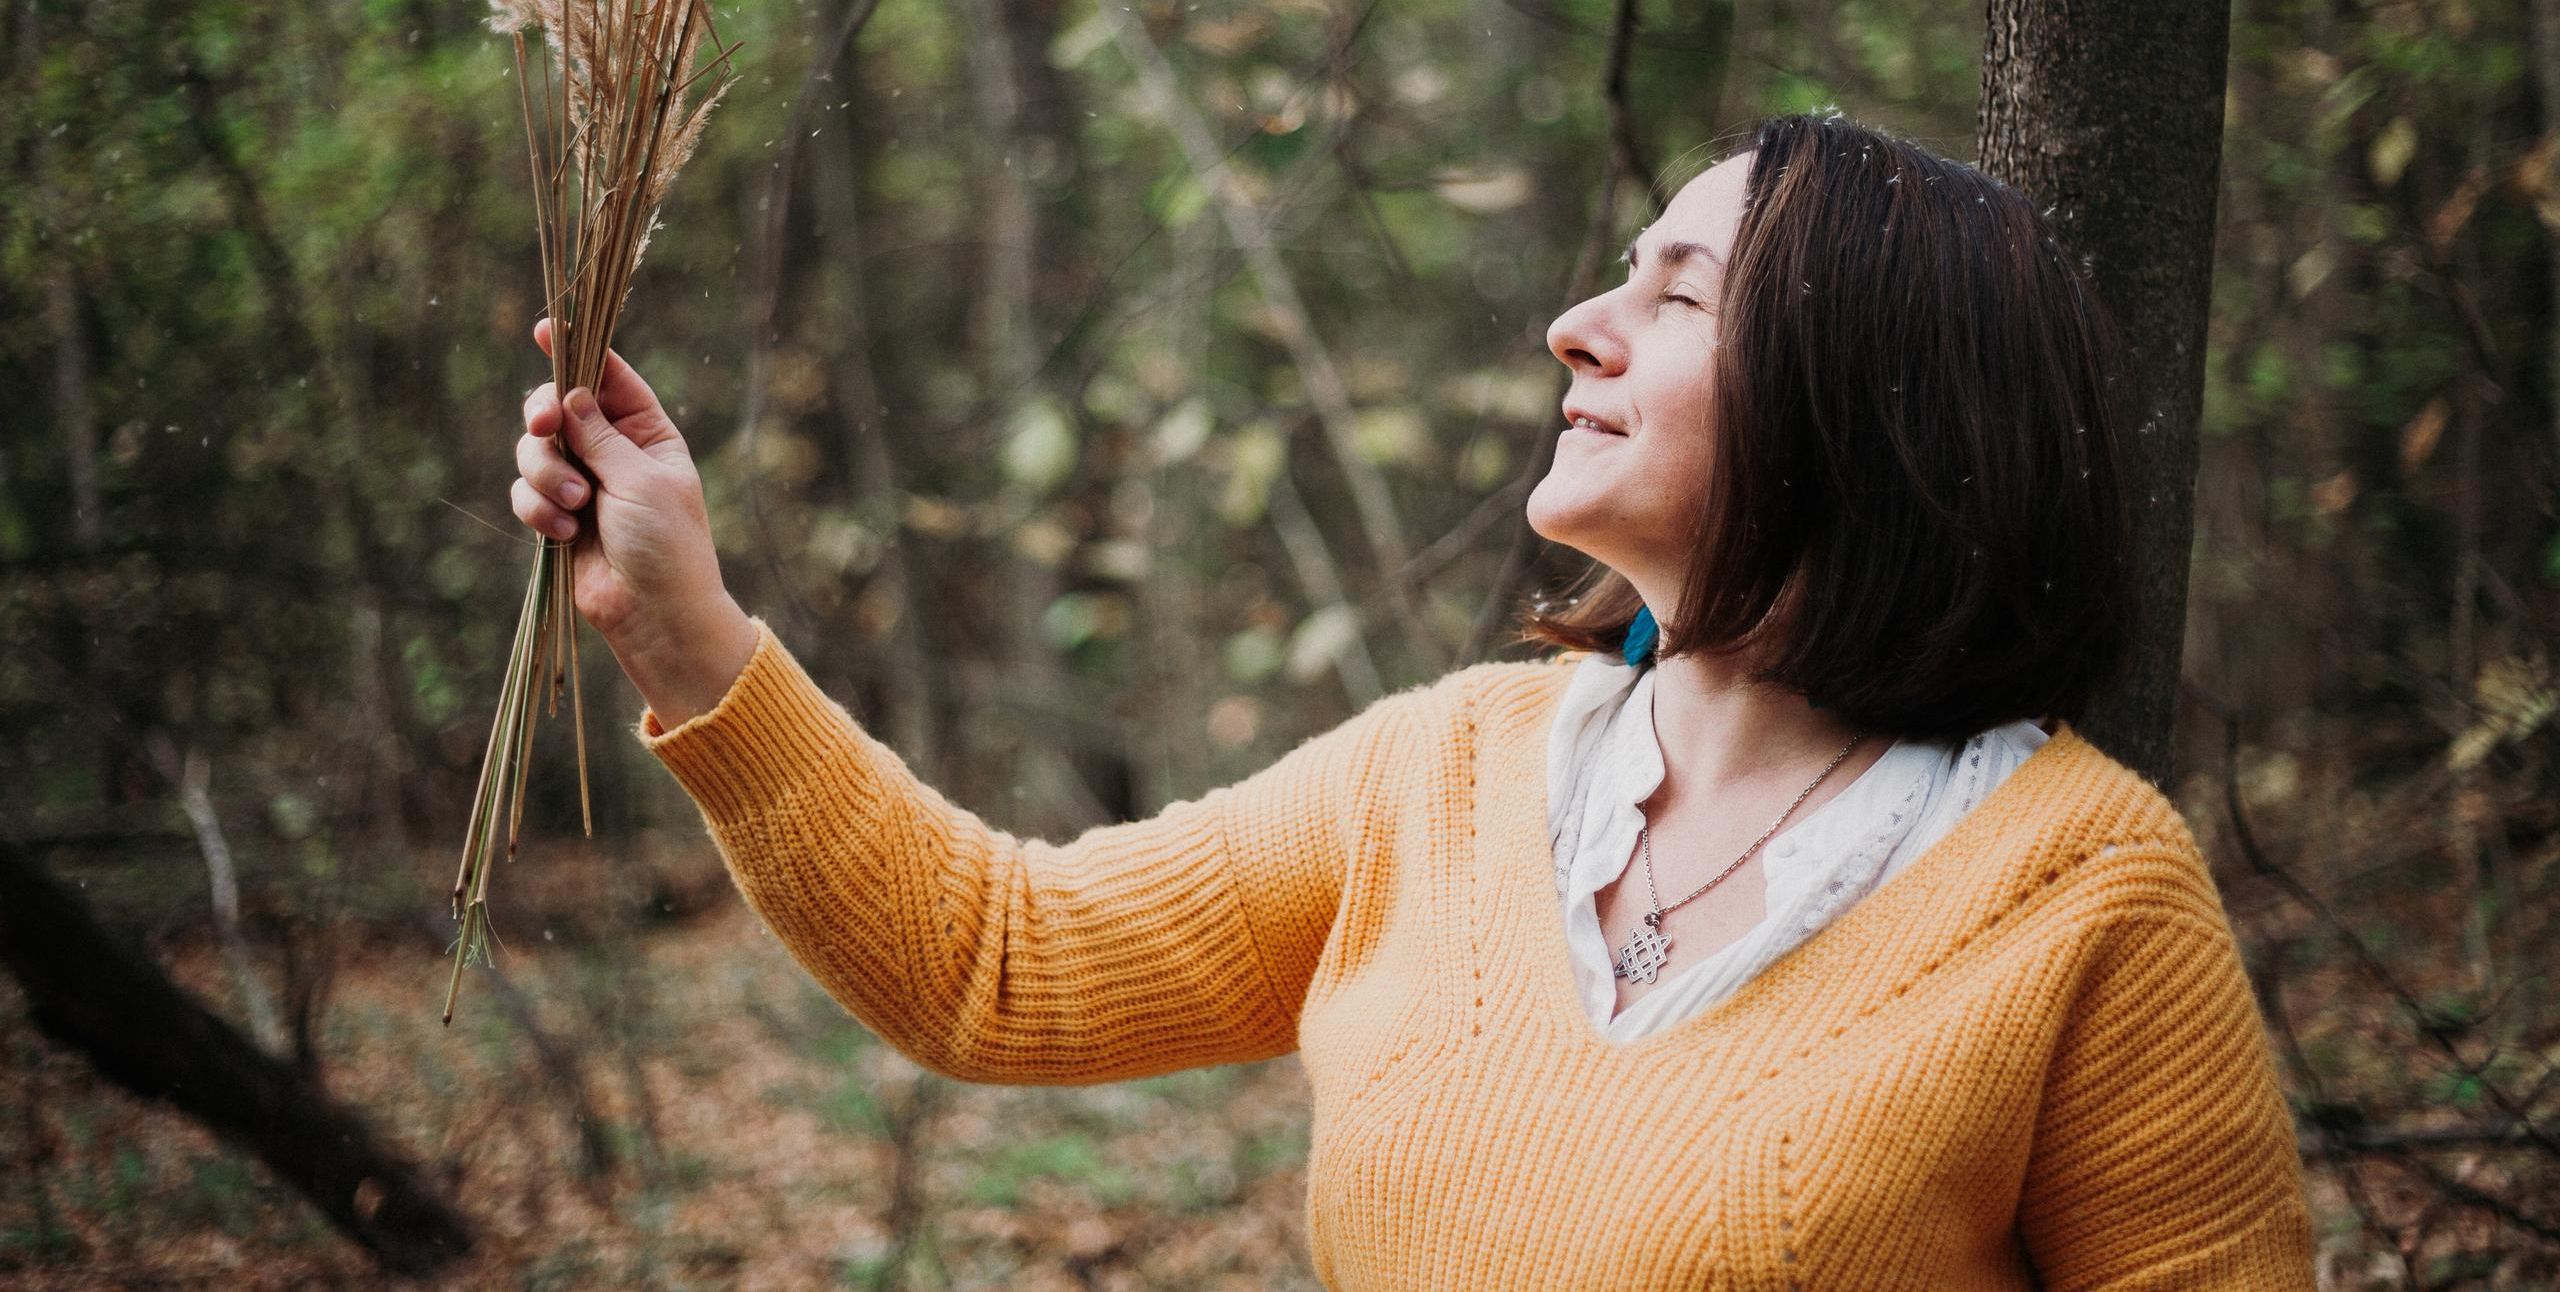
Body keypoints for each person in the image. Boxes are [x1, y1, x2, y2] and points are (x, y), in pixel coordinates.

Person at [510, 112, 2317, 1289]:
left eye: (1677, 294)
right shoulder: (1445, 772)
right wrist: (687, 631)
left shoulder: (2078, 892)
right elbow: (999, 963)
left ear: (1866, 399)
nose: (1578, 324)